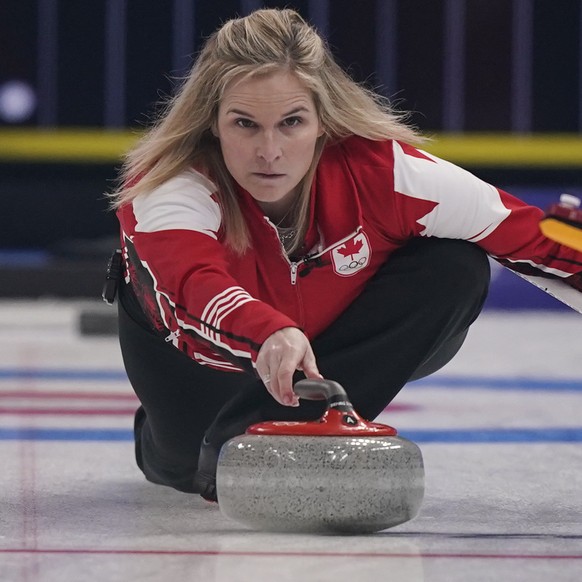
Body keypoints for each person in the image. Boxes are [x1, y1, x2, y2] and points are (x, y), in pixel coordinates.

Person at [108, 8, 582, 500]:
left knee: (455, 266)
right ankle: (179, 441)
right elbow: (190, 282)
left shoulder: (388, 174)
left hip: (327, 347)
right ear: (213, 124)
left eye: (291, 122)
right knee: (189, 466)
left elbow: (537, 237)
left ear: (322, 120)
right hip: (198, 358)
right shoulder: (170, 187)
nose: (269, 151)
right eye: (245, 124)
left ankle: (267, 436)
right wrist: (266, 330)